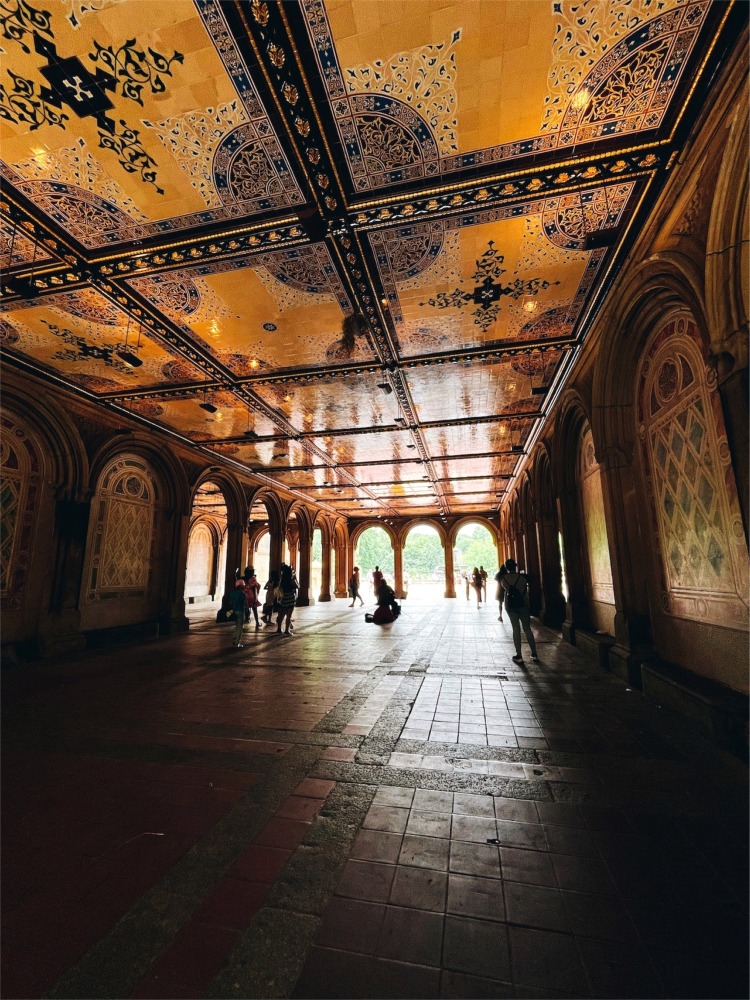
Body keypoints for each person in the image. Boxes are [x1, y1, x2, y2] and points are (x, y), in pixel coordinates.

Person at [500, 558, 539, 664]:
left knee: (516, 629)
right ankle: (534, 653)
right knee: (527, 628)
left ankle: (519, 655)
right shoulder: (522, 578)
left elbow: (506, 590)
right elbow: (527, 585)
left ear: (507, 568)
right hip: (524, 605)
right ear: (515, 566)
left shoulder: (503, 580)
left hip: (511, 606)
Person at [276, 563, 298, 635]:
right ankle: (287, 630)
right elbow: (298, 586)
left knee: (281, 615)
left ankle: (279, 628)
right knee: (289, 615)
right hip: (290, 598)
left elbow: (280, 588)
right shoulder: (291, 580)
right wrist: (295, 578)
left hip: (284, 598)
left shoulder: (282, 581)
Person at [229, 579, 247, 648]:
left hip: (234, 611)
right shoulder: (243, 594)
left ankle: (234, 637)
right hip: (241, 611)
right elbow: (245, 603)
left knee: (236, 625)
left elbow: (231, 603)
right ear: (241, 586)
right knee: (240, 627)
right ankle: (237, 643)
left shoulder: (232, 594)